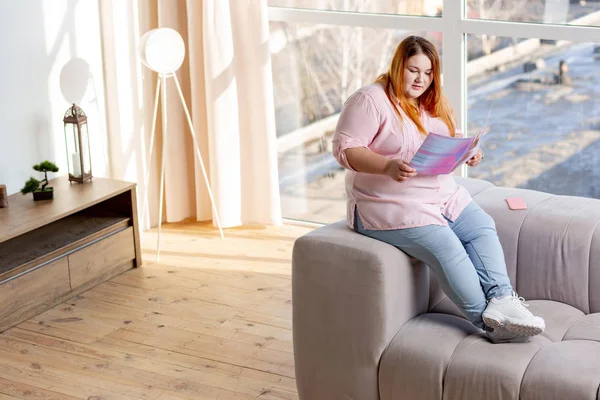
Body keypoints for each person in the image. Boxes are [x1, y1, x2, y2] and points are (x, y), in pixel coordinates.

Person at [332, 35, 545, 344]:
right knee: (446, 246)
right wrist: (387, 166)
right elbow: (345, 149)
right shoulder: (370, 100)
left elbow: (452, 135)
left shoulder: (434, 101)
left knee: (481, 227)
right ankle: (492, 325)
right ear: (398, 66)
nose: (421, 79)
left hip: (442, 195)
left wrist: (468, 152)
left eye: (428, 72)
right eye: (413, 70)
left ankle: (503, 300)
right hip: (388, 202)